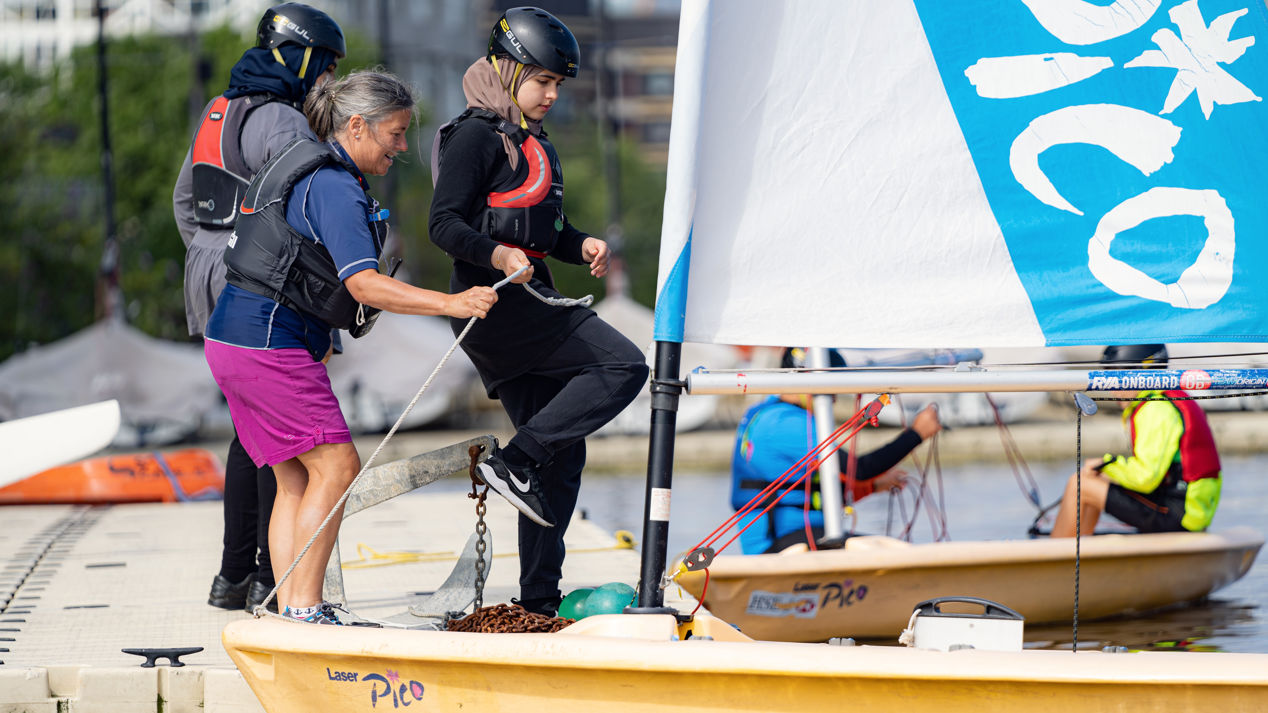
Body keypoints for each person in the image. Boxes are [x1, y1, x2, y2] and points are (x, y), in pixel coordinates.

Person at [204, 69, 497, 625]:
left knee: (294, 478)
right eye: (396, 132)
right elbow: (362, 283)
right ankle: (308, 609)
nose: (402, 147)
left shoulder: (309, 170)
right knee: (337, 467)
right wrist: (452, 304)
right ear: (357, 126)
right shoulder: (334, 185)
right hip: (268, 343)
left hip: (233, 340)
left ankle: (292, 609)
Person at [428, 7, 648, 617]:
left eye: (558, 85)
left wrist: (579, 245)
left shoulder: (528, 137)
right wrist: (496, 253)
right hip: (498, 311)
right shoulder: (476, 134)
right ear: (507, 68)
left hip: (526, 300)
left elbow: (539, 226)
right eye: (542, 81)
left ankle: (537, 603)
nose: (552, 94)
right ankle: (515, 459)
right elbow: (443, 223)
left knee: (563, 454)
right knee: (625, 365)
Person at [172, 2, 345, 614]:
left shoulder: (218, 110)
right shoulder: (282, 120)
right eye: (324, 67)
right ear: (303, 60)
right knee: (270, 439)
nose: (325, 82)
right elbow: (299, 211)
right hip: (258, 276)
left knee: (253, 426)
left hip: (208, 264)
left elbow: (185, 200)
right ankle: (260, 576)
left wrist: (208, 254)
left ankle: (235, 574)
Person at [731, 348, 943, 554]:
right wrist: (916, 434)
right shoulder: (786, 422)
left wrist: (873, 487)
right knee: (891, 552)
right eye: (831, 390)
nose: (832, 400)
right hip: (784, 543)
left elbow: (807, 489)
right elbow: (859, 470)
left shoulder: (763, 412)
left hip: (788, 538)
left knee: (881, 546)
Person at [1051, 344, 1222, 537]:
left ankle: (1052, 558)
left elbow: (1146, 478)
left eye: (1114, 378)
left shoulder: (1156, 409)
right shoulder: (1162, 398)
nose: (1111, 388)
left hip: (1182, 515)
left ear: (1138, 374)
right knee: (1091, 481)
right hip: (1183, 506)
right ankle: (1075, 548)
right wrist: (1106, 470)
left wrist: (1107, 464)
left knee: (1080, 484)